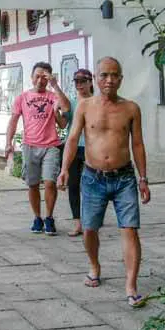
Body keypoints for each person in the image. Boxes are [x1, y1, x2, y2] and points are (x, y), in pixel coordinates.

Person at [57, 57, 151, 308]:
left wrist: (143, 178)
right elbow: (72, 137)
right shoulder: (85, 107)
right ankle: (94, 265)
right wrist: (64, 169)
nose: (110, 80)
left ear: (121, 78)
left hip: (124, 178)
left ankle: (131, 286)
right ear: (96, 79)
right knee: (89, 228)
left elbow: (138, 144)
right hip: (92, 177)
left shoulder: (131, 108)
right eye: (104, 75)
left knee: (129, 228)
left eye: (115, 75)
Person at [6, 61, 70, 236]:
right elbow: (13, 121)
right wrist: (8, 142)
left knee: (50, 182)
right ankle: (37, 218)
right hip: (30, 146)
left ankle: (49, 218)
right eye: (37, 76)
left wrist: (55, 85)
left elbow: (66, 108)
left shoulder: (52, 96)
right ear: (31, 77)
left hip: (51, 145)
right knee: (33, 184)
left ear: (49, 78)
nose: (40, 80)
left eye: (44, 77)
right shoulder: (22, 98)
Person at [63, 68, 94, 237]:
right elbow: (62, 123)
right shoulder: (72, 103)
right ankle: (77, 222)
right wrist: (55, 112)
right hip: (74, 147)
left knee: (92, 184)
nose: (79, 84)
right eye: (77, 81)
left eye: (83, 81)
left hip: (92, 148)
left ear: (90, 82)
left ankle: (92, 217)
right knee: (73, 184)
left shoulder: (97, 102)